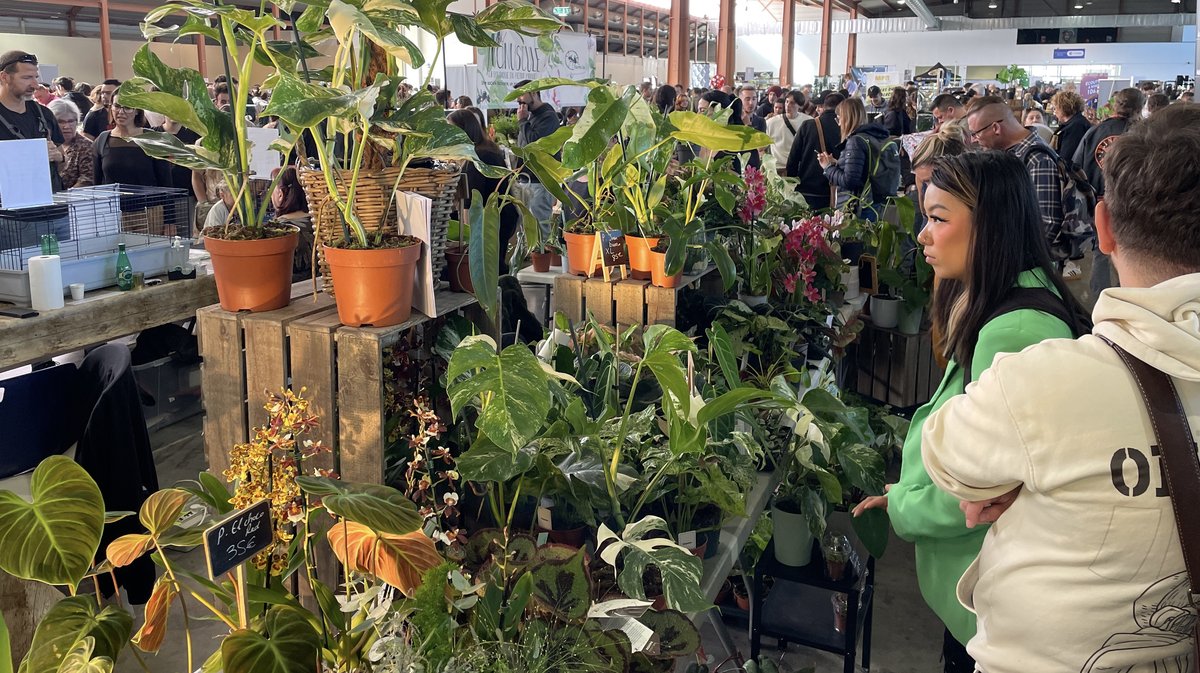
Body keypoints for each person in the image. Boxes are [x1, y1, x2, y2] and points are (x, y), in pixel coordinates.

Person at [922, 103, 1200, 673]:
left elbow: (946, 456)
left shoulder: (1042, 377)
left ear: (1102, 227)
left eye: (938, 216)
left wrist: (1015, 475)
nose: (924, 233)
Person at [855, 149, 1087, 673]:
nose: (922, 234)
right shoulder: (1005, 299)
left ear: (992, 226)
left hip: (987, 603)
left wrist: (905, 508)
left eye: (939, 219)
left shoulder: (1016, 329)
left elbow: (982, 486)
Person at [965, 97, 1066, 262]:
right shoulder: (1011, 153)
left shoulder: (1037, 159)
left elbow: (1047, 224)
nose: (975, 140)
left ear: (996, 128)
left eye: (976, 133)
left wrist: (1012, 260)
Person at [1073, 87, 1144, 299]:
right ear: (1140, 107)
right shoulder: (1143, 133)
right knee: (1133, 253)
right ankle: (1130, 299)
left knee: (1100, 252)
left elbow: (1076, 166)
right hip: (1134, 204)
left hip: (1099, 202)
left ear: (1114, 105)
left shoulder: (1094, 132)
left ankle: (1100, 300)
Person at [449, 109, 519, 273]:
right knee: (495, 267)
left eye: (451, 129)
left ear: (463, 131)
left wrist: (467, 239)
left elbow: (471, 202)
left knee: (490, 271)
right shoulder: (486, 149)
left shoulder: (477, 157)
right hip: (501, 217)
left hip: (493, 221)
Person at [817, 97, 899, 220]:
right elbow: (863, 169)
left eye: (838, 119)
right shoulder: (875, 136)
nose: (838, 123)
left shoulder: (855, 141)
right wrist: (838, 163)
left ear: (846, 118)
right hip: (876, 202)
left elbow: (850, 180)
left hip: (860, 207)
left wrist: (827, 167)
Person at [0, 51, 65, 191]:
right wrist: (33, 157)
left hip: (52, 205)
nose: (35, 85)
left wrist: (58, 157)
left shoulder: (43, 113)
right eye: (27, 78)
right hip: (10, 208)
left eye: (36, 77)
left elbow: (61, 162)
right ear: (4, 77)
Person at [92, 93, 172, 188]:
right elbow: (96, 182)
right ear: (111, 108)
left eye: (127, 107)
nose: (121, 112)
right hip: (113, 202)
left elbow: (165, 182)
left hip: (147, 201)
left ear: (137, 110)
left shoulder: (153, 139)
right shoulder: (102, 139)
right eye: (117, 106)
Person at [514, 79, 560, 242]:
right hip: (525, 179)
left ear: (534, 93)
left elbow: (535, 144)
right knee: (527, 226)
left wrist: (522, 122)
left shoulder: (548, 117)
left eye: (522, 94)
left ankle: (543, 262)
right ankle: (532, 260)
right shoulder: (530, 117)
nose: (519, 99)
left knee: (540, 226)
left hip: (539, 181)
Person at [786, 92, 843, 210]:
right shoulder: (846, 127)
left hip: (808, 189)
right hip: (837, 192)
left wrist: (793, 183)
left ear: (824, 106)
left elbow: (793, 159)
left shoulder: (808, 125)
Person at [269, 166, 314, 282]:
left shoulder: (274, 231)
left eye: (271, 189)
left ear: (280, 194)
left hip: (287, 293)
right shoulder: (321, 223)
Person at [47, 98, 93, 190]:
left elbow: (87, 180)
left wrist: (64, 197)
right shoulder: (48, 145)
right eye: (60, 122)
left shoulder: (86, 146)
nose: (67, 126)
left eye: (71, 121)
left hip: (73, 199)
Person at [765, 89, 811, 169]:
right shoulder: (771, 122)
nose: (788, 105)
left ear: (800, 106)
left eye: (792, 103)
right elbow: (762, 148)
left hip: (799, 167)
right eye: (787, 101)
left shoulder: (808, 121)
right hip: (778, 167)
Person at [1050, 90, 1090, 170]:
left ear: (1063, 107)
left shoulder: (1076, 127)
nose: (1054, 112)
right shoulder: (1076, 123)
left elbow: (1067, 157)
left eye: (1055, 108)